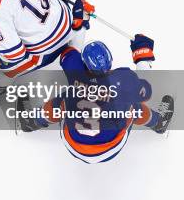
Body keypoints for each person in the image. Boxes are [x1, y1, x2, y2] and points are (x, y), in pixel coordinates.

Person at [19, 27, 175, 164]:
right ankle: (158, 123)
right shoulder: (123, 79)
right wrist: (142, 54)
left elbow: (70, 50)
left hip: (73, 144)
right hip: (111, 147)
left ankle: (32, 121)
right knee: (132, 106)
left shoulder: (75, 71)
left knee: (64, 99)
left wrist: (82, 24)